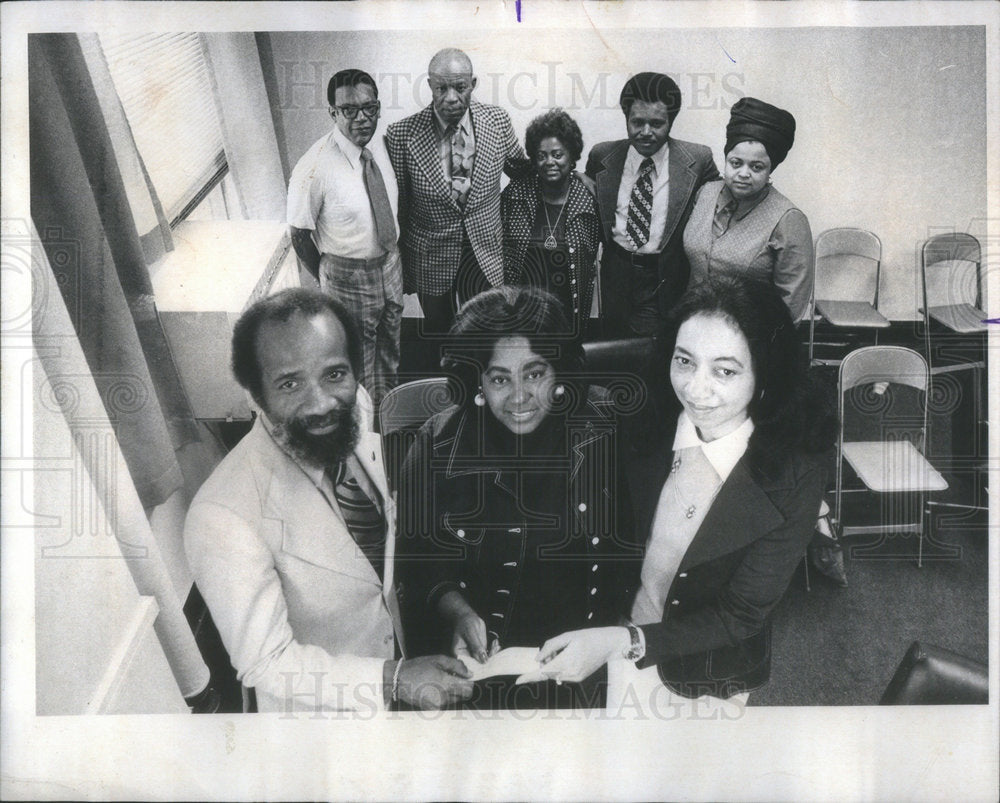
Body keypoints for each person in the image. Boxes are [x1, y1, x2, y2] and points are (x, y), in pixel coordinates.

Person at [518, 276, 835, 710]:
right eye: (685, 362)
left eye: (724, 371)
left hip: (704, 671)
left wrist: (623, 642)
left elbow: (739, 615)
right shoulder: (647, 416)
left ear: (767, 373)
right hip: (608, 636)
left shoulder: (797, 472)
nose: (695, 389)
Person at [184, 288, 473, 713]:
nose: (320, 403)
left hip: (401, 672)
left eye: (334, 374)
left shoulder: (355, 408)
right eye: (290, 383)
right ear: (254, 394)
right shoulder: (222, 516)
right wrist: (392, 679)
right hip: (325, 723)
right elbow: (266, 662)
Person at [396, 286, 639, 708]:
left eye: (535, 373)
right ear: (477, 380)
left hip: (587, 661)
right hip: (481, 668)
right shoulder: (435, 444)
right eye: (499, 379)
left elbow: (628, 550)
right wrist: (458, 612)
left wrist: (609, 637)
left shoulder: (602, 424)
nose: (520, 396)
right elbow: (416, 567)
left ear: (558, 371)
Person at [385, 48, 529, 333]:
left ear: (473, 84)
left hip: (486, 252)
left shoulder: (497, 122)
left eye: (460, 87)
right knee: (442, 335)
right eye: (441, 88)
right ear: (429, 85)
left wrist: (572, 178)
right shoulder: (401, 135)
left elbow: (523, 173)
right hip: (431, 258)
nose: (450, 97)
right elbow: (399, 206)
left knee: (489, 330)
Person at [287, 69, 403, 403]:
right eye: (349, 110)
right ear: (333, 113)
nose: (361, 118)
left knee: (391, 348)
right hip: (346, 275)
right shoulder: (314, 166)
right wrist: (330, 278)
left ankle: (390, 413)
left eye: (369, 108)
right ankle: (365, 438)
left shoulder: (381, 143)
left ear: (378, 108)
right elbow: (299, 235)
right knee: (358, 364)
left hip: (390, 265)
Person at [586, 72, 719, 337]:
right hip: (617, 276)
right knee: (618, 353)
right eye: (637, 122)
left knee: (661, 356)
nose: (646, 132)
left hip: (669, 276)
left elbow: (719, 200)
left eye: (657, 123)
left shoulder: (698, 160)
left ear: (671, 121)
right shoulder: (603, 156)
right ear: (626, 119)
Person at [683, 97, 814, 323]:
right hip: (694, 324)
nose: (744, 173)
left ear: (770, 168)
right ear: (726, 159)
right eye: (736, 163)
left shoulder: (788, 220)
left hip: (751, 336)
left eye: (756, 167)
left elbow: (791, 304)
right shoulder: (705, 193)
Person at [501, 108, 599, 335]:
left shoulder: (589, 200)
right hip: (521, 313)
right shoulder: (516, 194)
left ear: (572, 156)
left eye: (557, 154)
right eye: (541, 155)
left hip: (569, 314)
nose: (549, 162)